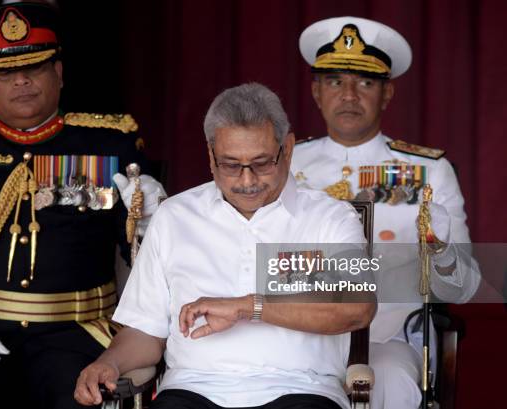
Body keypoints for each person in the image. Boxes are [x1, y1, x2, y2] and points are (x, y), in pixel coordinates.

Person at [0, 3, 164, 408]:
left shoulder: (110, 144)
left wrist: (148, 221)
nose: (21, 80)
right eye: (5, 73)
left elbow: (148, 260)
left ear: (58, 73)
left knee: (82, 403)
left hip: (76, 335)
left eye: (34, 68)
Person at [75, 82, 376, 409]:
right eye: (231, 165)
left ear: (287, 149)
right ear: (210, 155)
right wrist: (110, 362)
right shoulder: (174, 216)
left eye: (261, 163)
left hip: (301, 389)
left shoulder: (331, 218)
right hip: (193, 390)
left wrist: (249, 306)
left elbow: (358, 308)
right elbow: (146, 332)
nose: (247, 181)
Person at [292, 16, 481, 409]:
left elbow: (464, 287)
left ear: (387, 93)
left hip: (386, 336)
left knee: (389, 383)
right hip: (293, 333)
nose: (348, 95)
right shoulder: (285, 165)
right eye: (334, 81)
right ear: (315, 91)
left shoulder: (430, 172)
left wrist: (441, 249)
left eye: (365, 83)